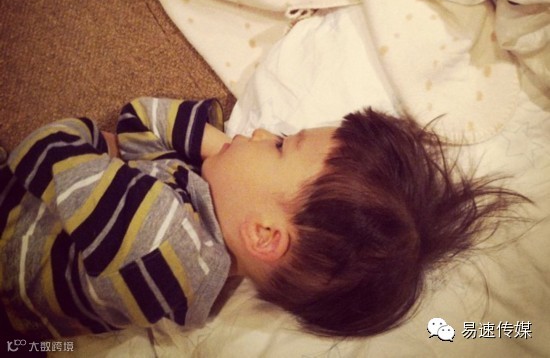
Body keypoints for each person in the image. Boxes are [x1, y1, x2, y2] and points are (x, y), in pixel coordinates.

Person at [0, 97, 525, 339]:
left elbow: (40, 148)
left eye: (278, 146)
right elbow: (142, 121)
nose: (257, 133)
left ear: (265, 234)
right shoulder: (206, 233)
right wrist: (217, 151)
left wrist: (99, 145)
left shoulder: (162, 240)